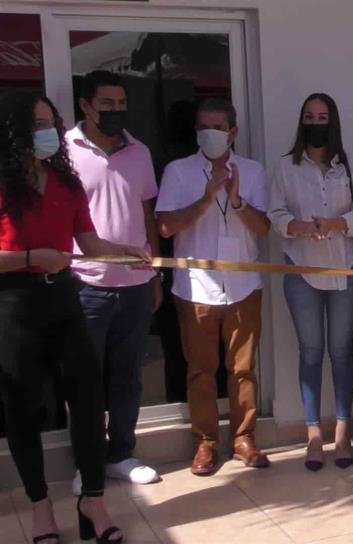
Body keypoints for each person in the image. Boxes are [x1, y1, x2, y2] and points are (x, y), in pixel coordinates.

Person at [0, 91, 151, 544]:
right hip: (13, 304)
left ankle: (94, 501)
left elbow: (88, 242)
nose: (47, 132)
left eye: (50, 123)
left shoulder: (66, 182)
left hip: (64, 297)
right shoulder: (5, 184)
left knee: (88, 401)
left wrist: (124, 252)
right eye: (37, 124)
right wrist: (31, 255)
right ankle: (41, 507)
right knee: (23, 410)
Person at [156, 98, 271, 476]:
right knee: (200, 370)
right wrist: (207, 198)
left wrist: (235, 198)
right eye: (204, 126)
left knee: (242, 369)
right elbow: (166, 227)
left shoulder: (252, 171)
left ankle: (243, 438)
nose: (211, 134)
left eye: (218, 127)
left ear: (233, 132)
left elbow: (264, 228)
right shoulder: (179, 171)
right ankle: (205, 442)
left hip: (242, 285)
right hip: (196, 288)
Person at [66, 70, 162, 495]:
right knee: (86, 381)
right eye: (107, 105)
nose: (116, 112)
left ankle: (122, 454)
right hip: (85, 285)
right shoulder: (65, 152)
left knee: (128, 377)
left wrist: (155, 272)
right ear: (86, 106)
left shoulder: (139, 151)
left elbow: (147, 216)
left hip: (136, 284)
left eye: (122, 105)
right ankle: (87, 463)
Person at [268, 93, 353, 471]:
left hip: (345, 265)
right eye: (309, 116)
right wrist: (299, 227)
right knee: (310, 351)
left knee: (341, 351)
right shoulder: (285, 166)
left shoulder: (351, 164)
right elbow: (276, 214)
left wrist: (340, 224)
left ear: (333, 121)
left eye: (322, 116)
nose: (316, 122)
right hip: (301, 268)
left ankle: (342, 433)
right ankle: (313, 435)